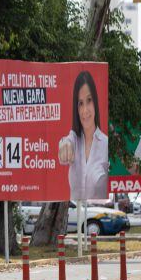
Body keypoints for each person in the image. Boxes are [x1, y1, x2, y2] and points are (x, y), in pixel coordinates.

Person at [57, 70, 109, 200]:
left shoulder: (106, 144)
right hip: (75, 211)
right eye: (80, 103)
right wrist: (64, 144)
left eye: (89, 100)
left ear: (95, 101)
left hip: (98, 211)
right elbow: (66, 142)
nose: (85, 110)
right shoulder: (74, 140)